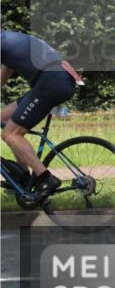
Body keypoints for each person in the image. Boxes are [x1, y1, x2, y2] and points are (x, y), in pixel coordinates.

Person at [1, 30, 83, 197]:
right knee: (3, 118)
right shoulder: (9, 41)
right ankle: (22, 180)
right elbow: (2, 76)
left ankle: (46, 178)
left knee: (10, 134)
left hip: (51, 82)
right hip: (55, 79)